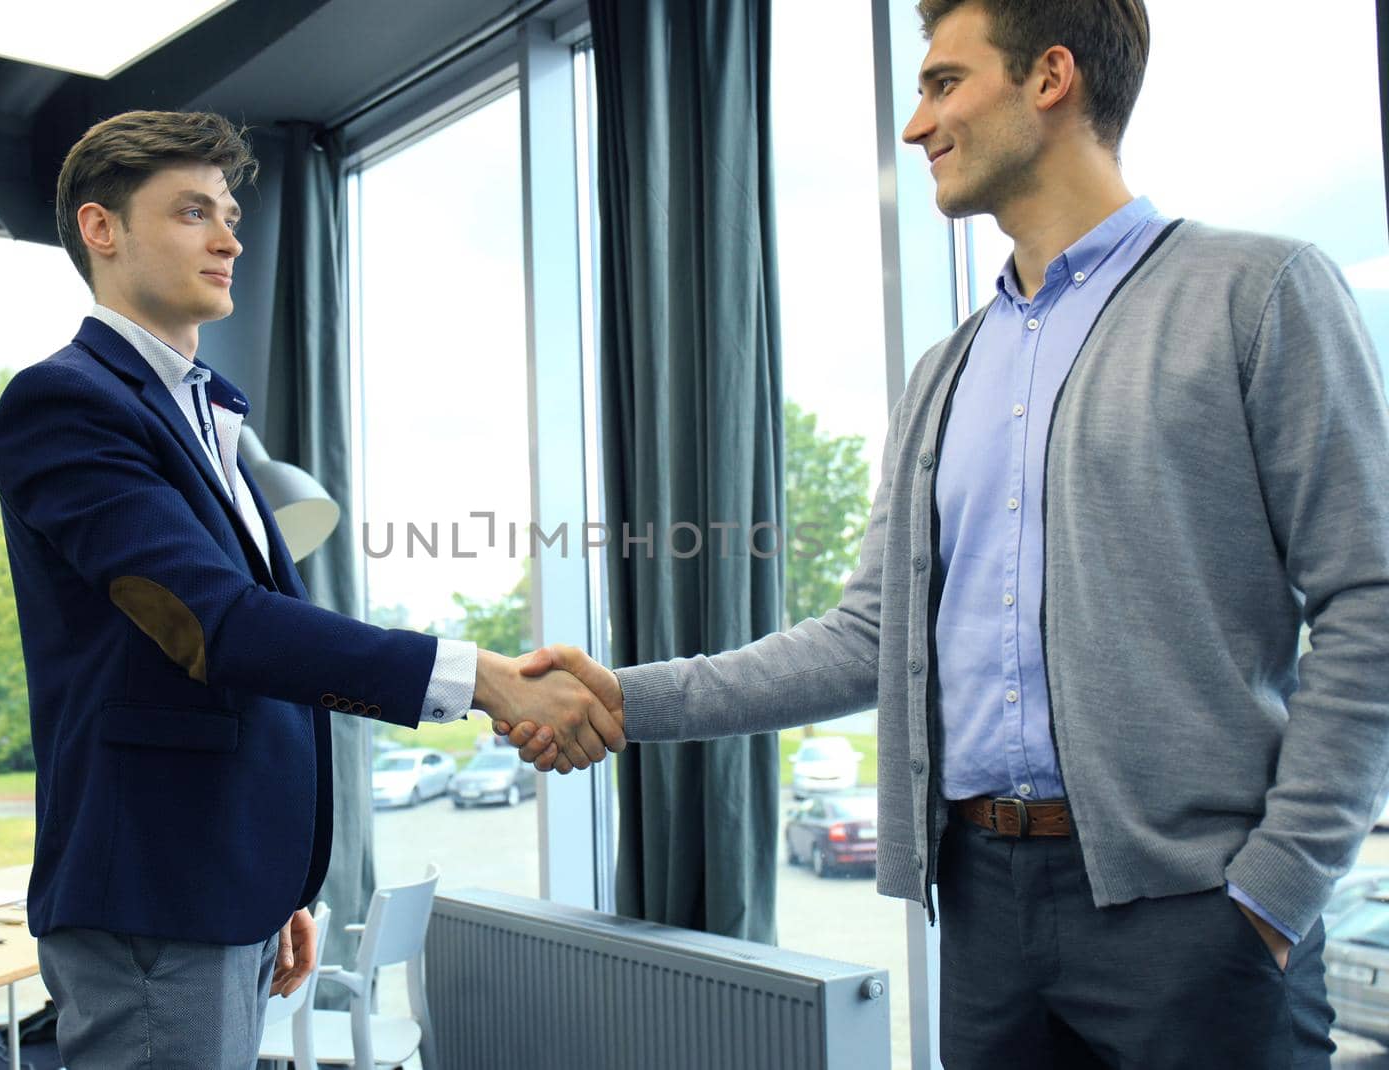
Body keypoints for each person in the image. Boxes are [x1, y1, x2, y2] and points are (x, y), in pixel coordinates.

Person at [500, 1, 1389, 1065]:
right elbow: (867, 639)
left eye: (942, 83)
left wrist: (1278, 884)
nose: (917, 126)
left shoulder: (1259, 292)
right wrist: (621, 699)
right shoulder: (942, 373)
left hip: (1195, 914)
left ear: (1049, 78)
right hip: (981, 912)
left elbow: (1369, 596)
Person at [0, 110, 621, 1068]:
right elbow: (217, 629)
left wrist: (277, 879)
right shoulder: (65, 403)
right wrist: (483, 677)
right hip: (155, 896)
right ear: (101, 228)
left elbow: (245, 679)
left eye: (232, 214)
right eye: (194, 212)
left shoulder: (207, 416)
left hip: (221, 888)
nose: (230, 238)